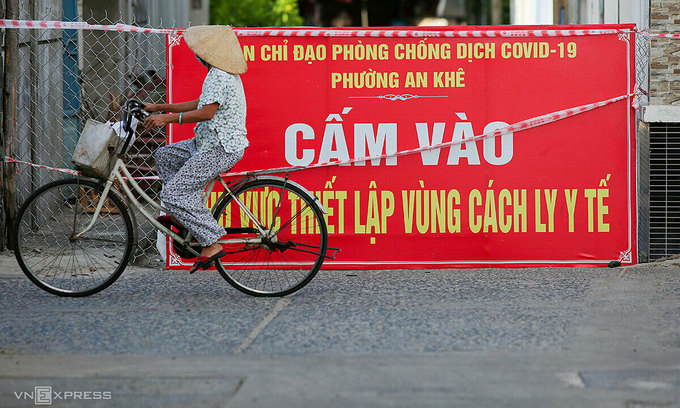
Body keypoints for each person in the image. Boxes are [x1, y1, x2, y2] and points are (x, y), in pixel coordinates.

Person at [143, 25, 248, 273]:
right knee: (165, 155)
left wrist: (166, 119)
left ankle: (211, 242)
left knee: (172, 194)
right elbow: (201, 103)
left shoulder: (221, 75)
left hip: (219, 148)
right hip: (204, 144)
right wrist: (160, 107)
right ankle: (183, 217)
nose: (196, 54)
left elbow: (206, 112)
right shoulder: (217, 73)